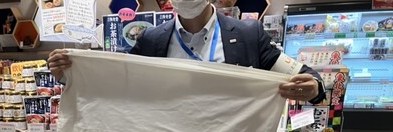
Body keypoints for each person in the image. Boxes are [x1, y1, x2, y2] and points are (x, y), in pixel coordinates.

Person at [48, 0, 325, 104]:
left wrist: (314, 86)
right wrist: (69, 74)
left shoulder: (247, 35)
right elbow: (117, 80)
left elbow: (303, 74)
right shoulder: (152, 40)